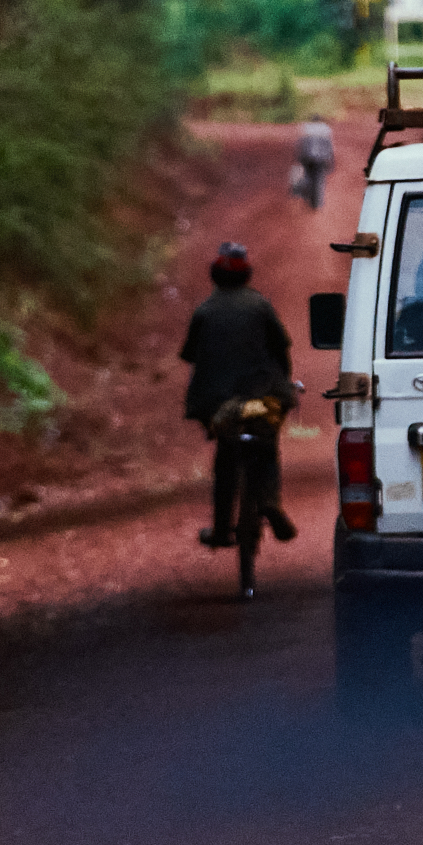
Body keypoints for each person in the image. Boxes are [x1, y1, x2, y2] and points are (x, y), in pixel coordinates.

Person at [180, 242, 297, 588]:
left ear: (214, 275)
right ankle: (271, 503)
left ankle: (220, 529)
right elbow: (282, 347)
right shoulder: (261, 306)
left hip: (219, 405)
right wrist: (283, 384)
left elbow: (189, 355)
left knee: (225, 460)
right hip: (261, 398)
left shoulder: (204, 311)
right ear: (247, 274)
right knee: (267, 447)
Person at [292, 114, 336, 211]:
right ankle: (317, 203)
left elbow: (300, 144)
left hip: (307, 157)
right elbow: (329, 146)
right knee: (319, 179)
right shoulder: (326, 129)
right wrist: (332, 161)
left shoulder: (306, 128)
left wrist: (298, 158)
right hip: (321, 158)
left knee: (308, 176)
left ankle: (306, 196)